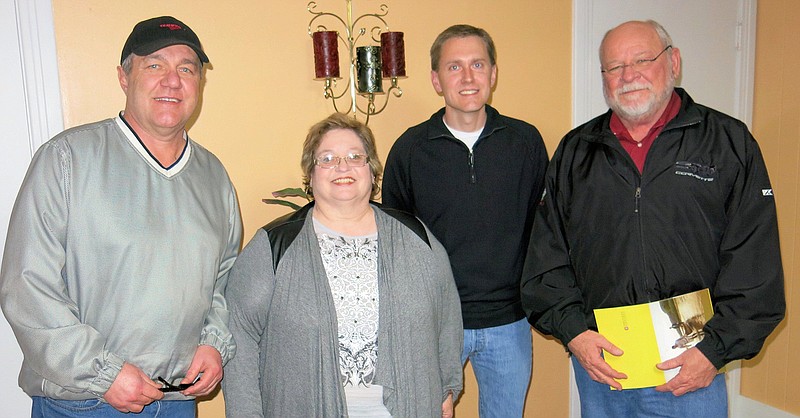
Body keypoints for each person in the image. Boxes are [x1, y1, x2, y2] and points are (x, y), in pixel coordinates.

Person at [520, 19, 785, 417]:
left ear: (673, 62)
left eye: (642, 59)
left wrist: (715, 351)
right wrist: (574, 334)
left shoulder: (729, 143)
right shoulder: (575, 153)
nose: (628, 76)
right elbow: (546, 261)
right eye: (614, 67)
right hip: (606, 372)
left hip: (693, 373)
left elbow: (755, 265)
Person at [0, 16, 242, 417]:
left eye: (186, 68)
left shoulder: (213, 177)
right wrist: (103, 374)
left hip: (178, 400)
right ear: (124, 77)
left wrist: (213, 341)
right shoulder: (67, 160)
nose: (172, 80)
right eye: (154, 65)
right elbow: (27, 286)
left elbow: (223, 278)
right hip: (85, 401)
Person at [222, 113, 463, 418]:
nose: (343, 166)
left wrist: (447, 386)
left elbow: (448, 316)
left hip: (405, 406)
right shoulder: (273, 245)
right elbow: (239, 334)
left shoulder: (416, 237)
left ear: (372, 171)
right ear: (310, 175)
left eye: (354, 156)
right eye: (327, 158)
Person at [382, 24, 548, 417]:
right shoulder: (409, 149)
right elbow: (397, 245)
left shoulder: (525, 142)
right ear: (436, 80)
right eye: (454, 67)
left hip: (509, 322)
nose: (468, 77)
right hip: (436, 325)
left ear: (493, 74)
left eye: (477, 64)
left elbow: (544, 230)